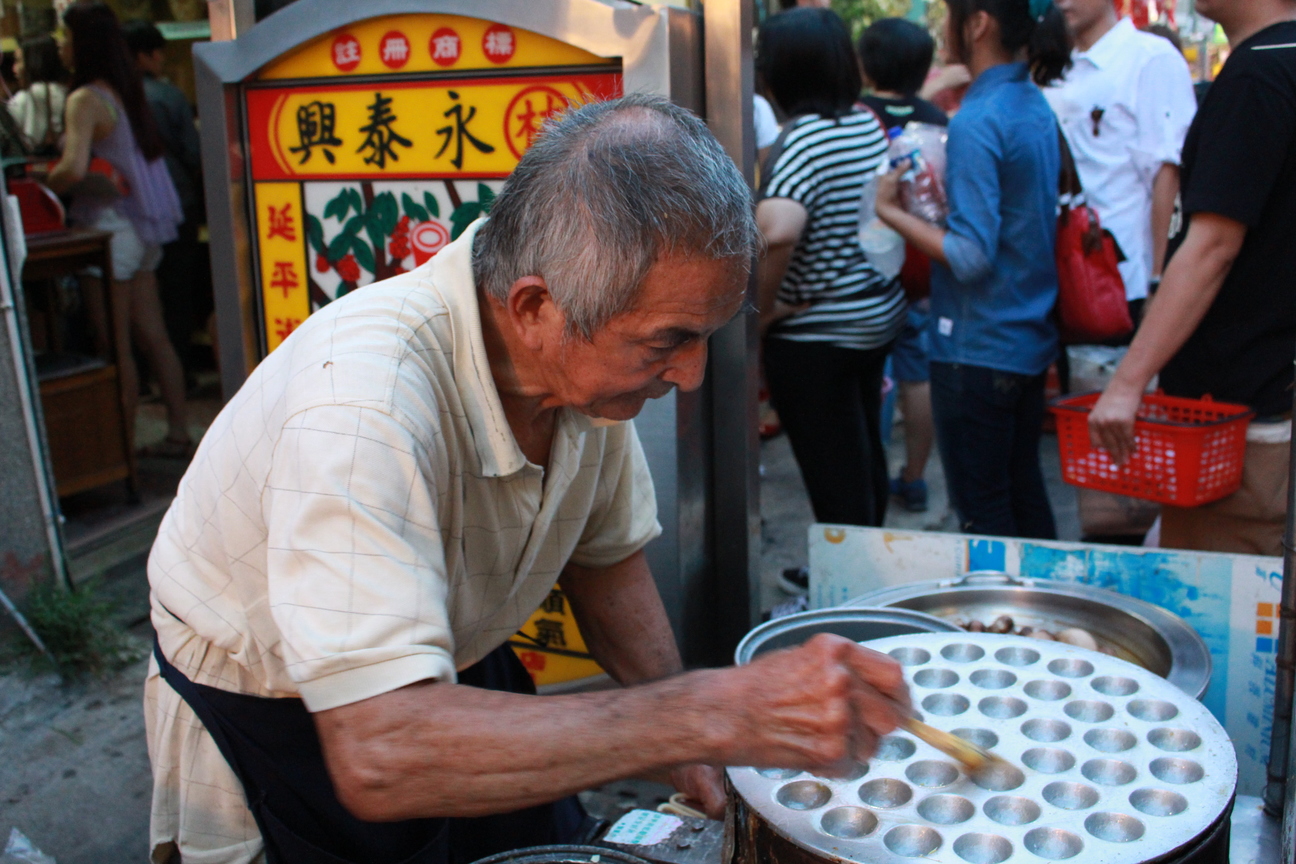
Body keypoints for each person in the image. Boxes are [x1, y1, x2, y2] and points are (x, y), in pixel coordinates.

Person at [144, 94, 911, 864]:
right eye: (667, 342)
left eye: (705, 337)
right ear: (537, 307)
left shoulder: (577, 375)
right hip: (283, 712)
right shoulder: (362, 408)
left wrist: (695, 752)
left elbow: (605, 562)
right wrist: (706, 713)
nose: (690, 374)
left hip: (448, 667)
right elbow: (381, 753)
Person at [1088, 0, 1296, 557]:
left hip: (1241, 418)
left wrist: (1127, 382)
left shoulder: (1258, 73)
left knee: (1230, 609)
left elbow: (1212, 247)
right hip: (1269, 393)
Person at [876, 0, 1071, 539]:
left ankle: (1001, 624)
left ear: (978, 23)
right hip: (1026, 339)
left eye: (949, 14)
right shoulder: (1031, 104)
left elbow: (969, 255)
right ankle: (1042, 614)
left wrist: (889, 210)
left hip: (976, 349)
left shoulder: (978, 120)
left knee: (984, 515)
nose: (943, 28)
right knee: (1025, 498)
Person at [756, 8, 907, 528]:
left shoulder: (803, 137)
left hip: (818, 334)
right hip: (874, 314)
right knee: (864, 457)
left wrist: (762, 312)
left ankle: (846, 596)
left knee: (835, 478)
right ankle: (855, 569)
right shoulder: (862, 121)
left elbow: (778, 230)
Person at [46, 3, 189, 457]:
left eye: (64, 38)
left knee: (116, 345)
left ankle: (121, 451)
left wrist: (38, 179)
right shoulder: (129, 91)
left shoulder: (84, 99)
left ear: (81, 43)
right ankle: (180, 431)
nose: (60, 46)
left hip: (108, 230)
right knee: (155, 335)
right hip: (145, 230)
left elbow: (71, 170)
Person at [1045, 0, 1196, 328]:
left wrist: (1159, 280)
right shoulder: (1053, 69)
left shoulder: (1150, 58)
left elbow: (1167, 175)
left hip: (1125, 280)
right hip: (1059, 280)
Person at [858, 18, 948, 513]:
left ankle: (873, 474)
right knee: (918, 376)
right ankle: (914, 477)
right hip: (923, 268)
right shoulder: (938, 120)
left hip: (869, 272)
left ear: (865, 64)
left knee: (876, 376)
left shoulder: (854, 117)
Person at [123, 19, 209, 381]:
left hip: (131, 214)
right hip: (176, 207)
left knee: (142, 303)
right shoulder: (168, 96)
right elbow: (194, 153)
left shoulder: (112, 97)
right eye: (158, 53)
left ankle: (146, 375)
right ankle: (180, 371)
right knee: (177, 295)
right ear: (147, 55)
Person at [8, 35, 66, 155]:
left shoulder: (25, 98)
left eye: (19, 61)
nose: (14, 69)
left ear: (33, 62)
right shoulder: (67, 92)